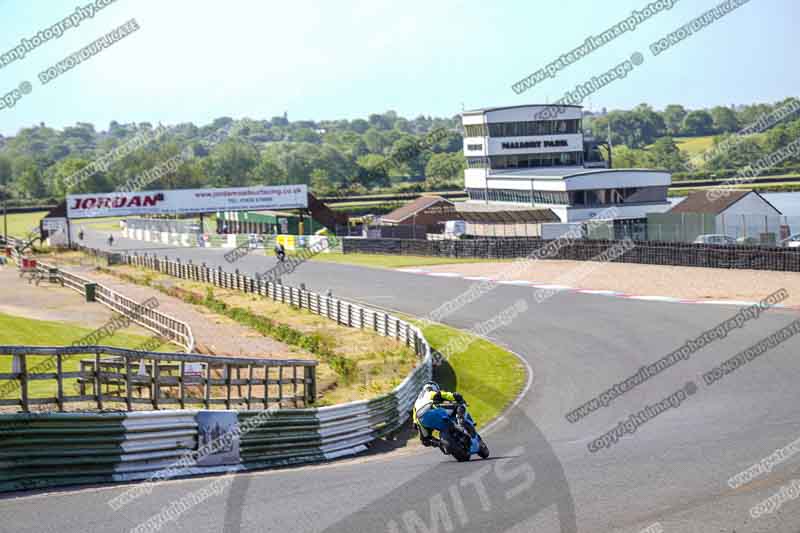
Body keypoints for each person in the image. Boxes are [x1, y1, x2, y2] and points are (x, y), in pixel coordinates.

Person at [412, 381, 465, 448]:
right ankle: (461, 423)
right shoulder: (429, 392)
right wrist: (455, 396)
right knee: (458, 406)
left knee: (425, 440)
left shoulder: (417, 401)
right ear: (434, 387)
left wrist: (417, 425)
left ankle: (441, 444)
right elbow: (443, 394)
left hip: (421, 418)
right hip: (431, 410)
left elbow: (414, 422)